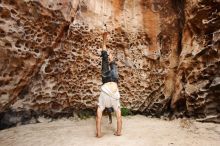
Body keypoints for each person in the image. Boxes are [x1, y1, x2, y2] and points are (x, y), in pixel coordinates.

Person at [96, 35, 122, 138]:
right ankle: (104, 43)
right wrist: (99, 134)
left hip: (113, 82)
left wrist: (118, 132)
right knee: (106, 59)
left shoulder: (114, 103)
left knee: (110, 62)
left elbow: (119, 119)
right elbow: (98, 118)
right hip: (108, 81)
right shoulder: (105, 104)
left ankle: (104, 42)